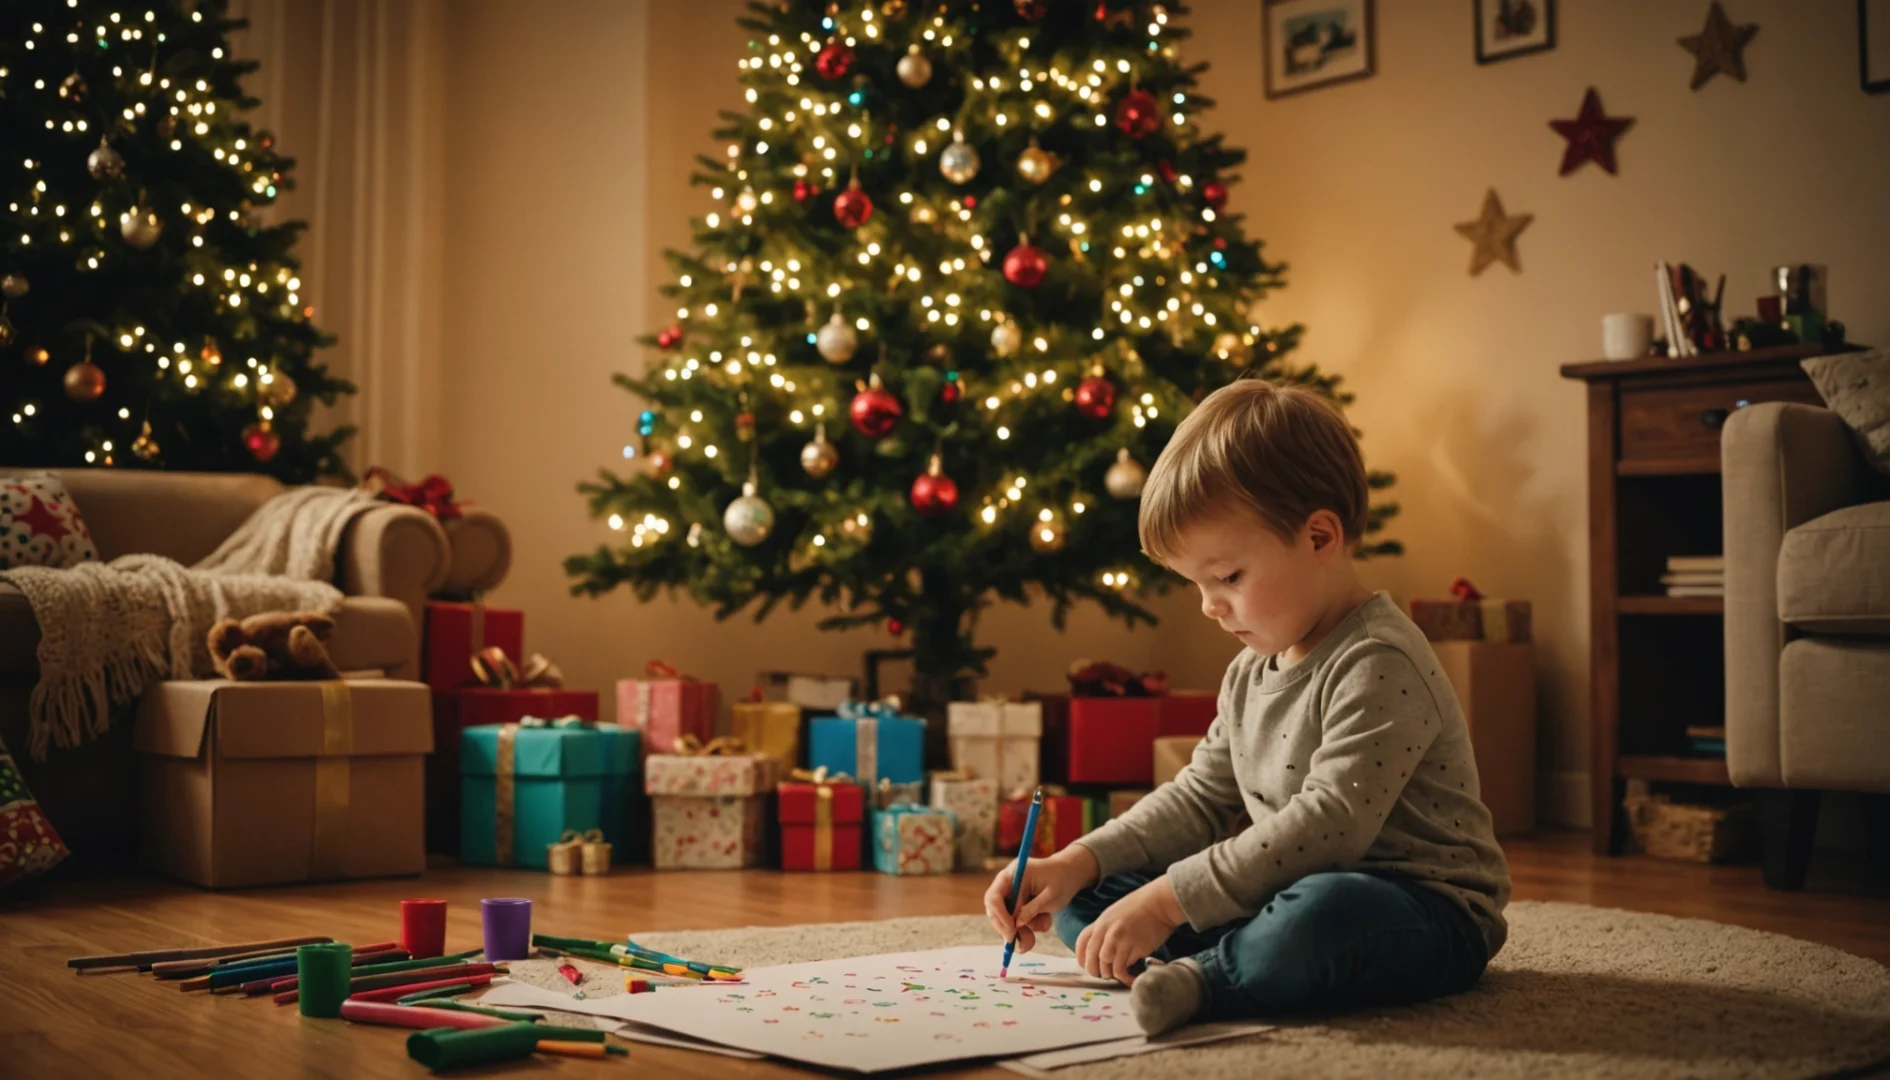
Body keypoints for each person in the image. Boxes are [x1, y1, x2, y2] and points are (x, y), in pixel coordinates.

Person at [985, 378, 1511, 1035]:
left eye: (1228, 578)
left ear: (1321, 537)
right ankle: (1229, 960)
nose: (1210, 606)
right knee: (1089, 896)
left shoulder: (1379, 661)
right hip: (1279, 893)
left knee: (1326, 911)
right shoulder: (1249, 672)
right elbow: (1201, 798)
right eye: (1198, 585)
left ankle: (1213, 979)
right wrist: (1072, 864)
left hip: (1418, 910)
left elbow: (1331, 826)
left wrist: (1169, 900)